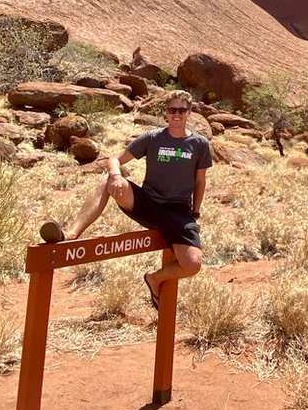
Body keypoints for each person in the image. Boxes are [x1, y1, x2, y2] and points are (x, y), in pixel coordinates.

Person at [39, 94, 211, 309]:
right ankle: (71, 234)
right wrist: (117, 175)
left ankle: (155, 278)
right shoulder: (153, 137)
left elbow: (200, 181)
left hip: (178, 211)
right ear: (165, 113)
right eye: (172, 110)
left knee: (192, 264)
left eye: (182, 110)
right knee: (107, 183)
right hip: (148, 202)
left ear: (189, 113)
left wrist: (195, 214)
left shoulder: (199, 144)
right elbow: (114, 159)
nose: (177, 114)